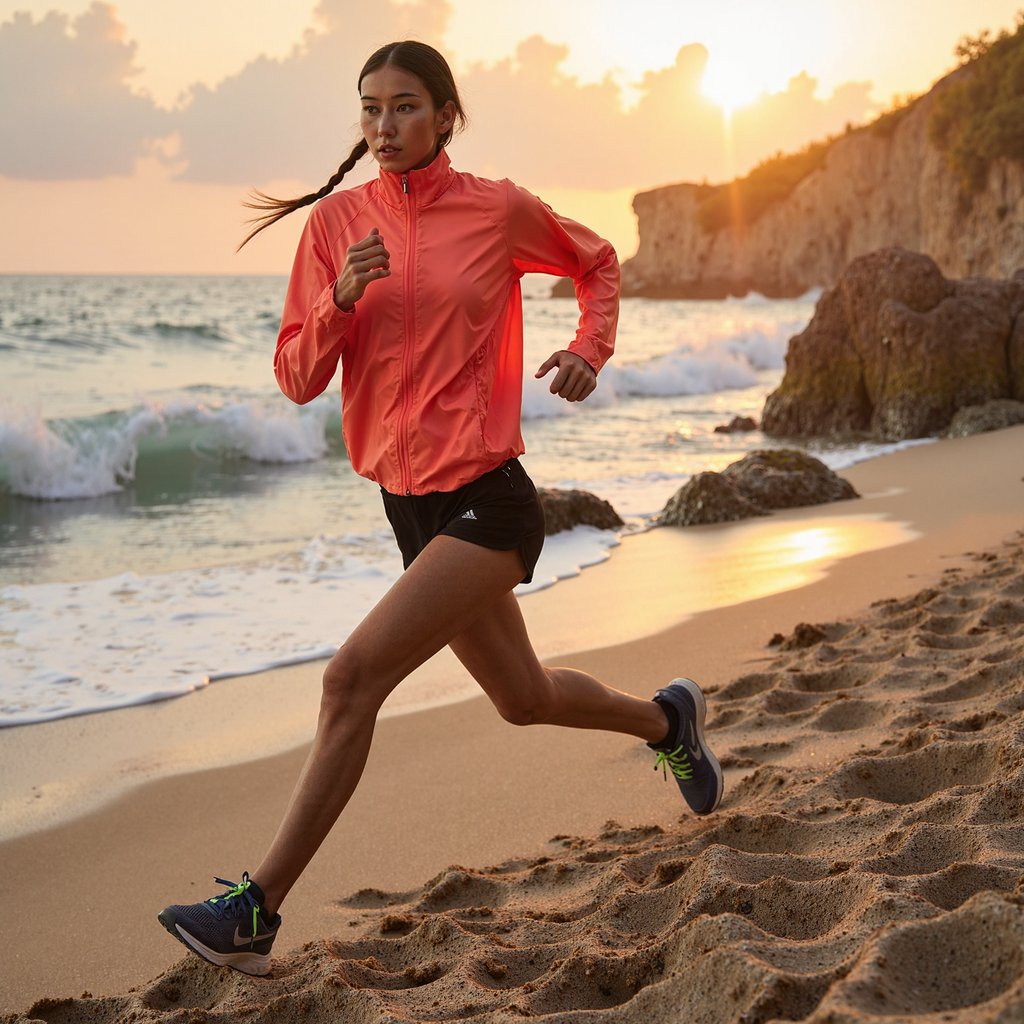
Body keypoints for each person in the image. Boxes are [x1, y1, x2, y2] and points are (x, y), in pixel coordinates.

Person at [158, 39, 723, 977]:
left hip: (490, 500)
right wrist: (339, 300)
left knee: (348, 682)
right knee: (524, 699)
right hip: (407, 509)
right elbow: (297, 376)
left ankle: (255, 911)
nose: (385, 127)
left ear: (446, 116)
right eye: (371, 108)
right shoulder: (335, 228)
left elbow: (598, 260)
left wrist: (591, 347)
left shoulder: (495, 208)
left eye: (407, 107)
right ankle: (669, 723)